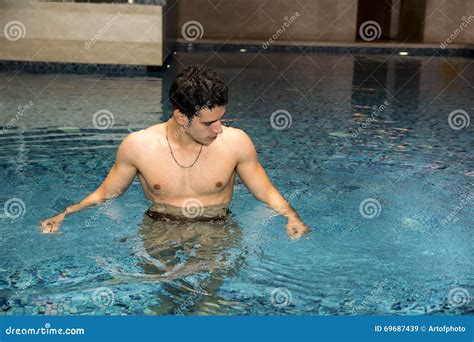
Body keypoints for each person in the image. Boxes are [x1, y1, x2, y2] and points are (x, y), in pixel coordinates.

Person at [40, 65, 310, 240]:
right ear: (181, 117)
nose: (219, 129)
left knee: (210, 302)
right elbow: (106, 193)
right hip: (159, 227)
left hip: (216, 229)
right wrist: (65, 214)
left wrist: (291, 216)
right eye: (208, 123)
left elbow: (264, 190)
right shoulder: (138, 146)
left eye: (221, 118)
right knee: (161, 298)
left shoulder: (236, 143)